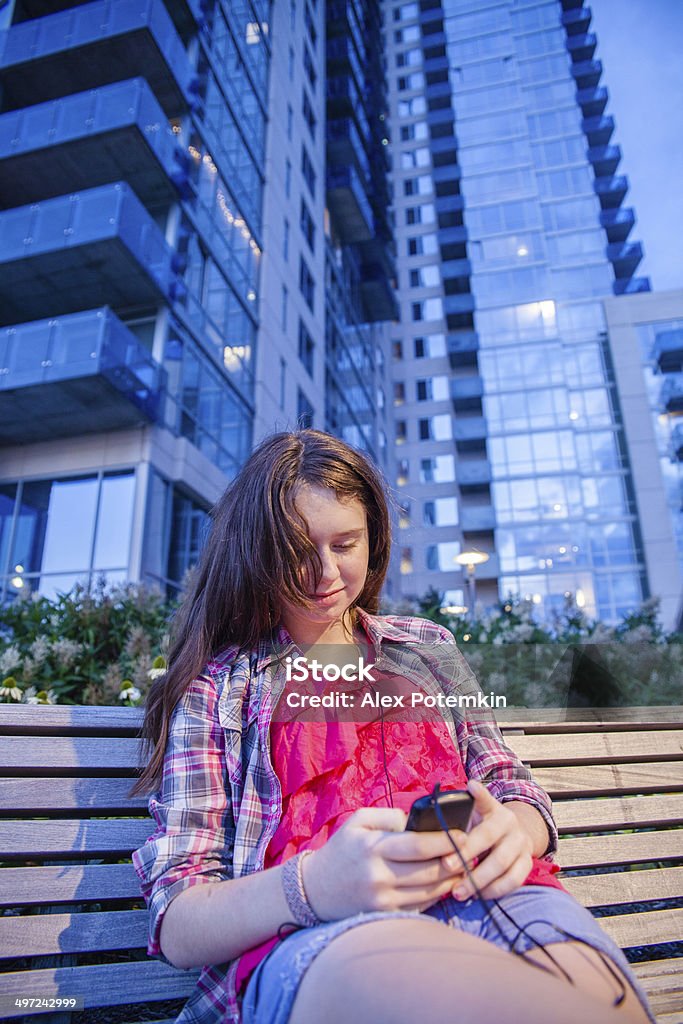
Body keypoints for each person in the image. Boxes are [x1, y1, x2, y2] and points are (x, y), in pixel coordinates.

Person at [132, 429, 654, 1024]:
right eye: (296, 548)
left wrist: (515, 832)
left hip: (493, 896)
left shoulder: (428, 650)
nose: (322, 572)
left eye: (345, 543)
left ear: (373, 539)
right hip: (319, 934)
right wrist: (313, 886)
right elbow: (177, 916)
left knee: (602, 1010)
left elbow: (510, 785)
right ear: (255, 549)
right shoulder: (221, 690)